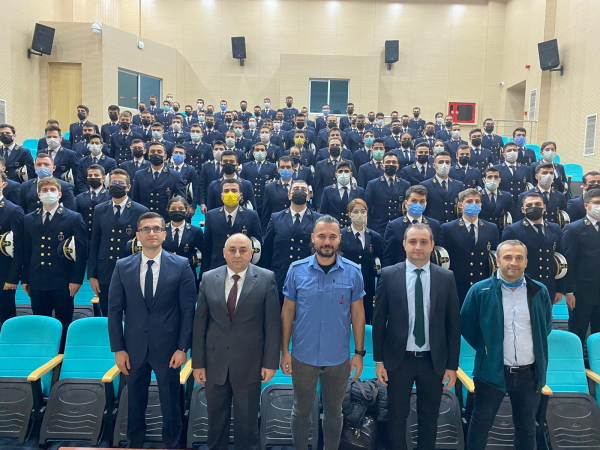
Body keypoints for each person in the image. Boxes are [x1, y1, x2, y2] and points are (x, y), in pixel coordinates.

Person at [108, 212, 196, 449]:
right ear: (138, 235)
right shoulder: (122, 266)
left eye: (156, 229)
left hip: (168, 348)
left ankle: (173, 444)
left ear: (164, 234)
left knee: (170, 402)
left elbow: (188, 311)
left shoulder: (181, 265)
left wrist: (182, 348)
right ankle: (135, 443)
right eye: (146, 229)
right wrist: (118, 349)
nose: (151, 233)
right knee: (135, 401)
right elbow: (114, 311)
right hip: (133, 347)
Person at [373, 223, 461, 450]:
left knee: (429, 417)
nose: (418, 247)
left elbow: (453, 325)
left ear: (432, 245)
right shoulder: (389, 275)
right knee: (396, 416)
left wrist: (452, 366)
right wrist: (379, 360)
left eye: (423, 242)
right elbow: (379, 321)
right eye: (412, 242)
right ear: (404, 244)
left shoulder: (446, 277)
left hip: (433, 361)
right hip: (399, 360)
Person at [281, 215, 365, 450]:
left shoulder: (354, 272)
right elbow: (287, 312)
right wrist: (284, 351)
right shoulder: (296, 270)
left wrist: (359, 353)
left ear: (339, 239)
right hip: (303, 356)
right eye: (322, 236)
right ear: (313, 238)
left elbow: (358, 314)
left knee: (334, 412)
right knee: (300, 411)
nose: (327, 241)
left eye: (332, 237)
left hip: (338, 358)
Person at [461, 240, 552, 450]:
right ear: (497, 261)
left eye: (519, 258)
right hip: (492, 372)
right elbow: (467, 326)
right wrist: (488, 349)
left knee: (527, 427)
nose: (513, 263)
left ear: (526, 262)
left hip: (530, 374)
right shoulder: (480, 290)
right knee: (480, 423)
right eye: (508, 257)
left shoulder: (539, 291)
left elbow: (545, 327)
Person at [192, 233, 280, 450]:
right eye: (232, 250)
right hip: (215, 363)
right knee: (215, 425)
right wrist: (198, 363)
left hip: (250, 364)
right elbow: (200, 324)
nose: (237, 255)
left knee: (247, 427)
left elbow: (272, 325)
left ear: (252, 253)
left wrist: (270, 363)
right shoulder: (208, 278)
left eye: (243, 250)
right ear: (224, 253)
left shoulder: (266, 278)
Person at [22, 177, 87, 348]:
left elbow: (81, 251)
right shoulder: (29, 218)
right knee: (40, 322)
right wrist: (25, 279)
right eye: (44, 190)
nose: (48, 193)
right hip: (37, 278)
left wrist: (77, 279)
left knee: (64, 321)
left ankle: (62, 355)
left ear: (59, 194)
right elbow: (26, 251)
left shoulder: (73, 217)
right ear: (39, 195)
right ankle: (44, 353)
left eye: (52, 190)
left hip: (63, 280)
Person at [89, 169, 149, 316]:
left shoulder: (141, 210)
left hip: (131, 268)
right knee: (108, 313)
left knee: (132, 314)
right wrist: (92, 275)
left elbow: (145, 244)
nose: (116, 186)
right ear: (108, 185)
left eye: (121, 183)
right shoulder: (99, 209)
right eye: (113, 183)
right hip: (105, 270)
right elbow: (95, 242)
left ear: (128, 187)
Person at [261, 180, 321, 304]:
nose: (299, 191)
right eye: (296, 189)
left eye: (303, 189)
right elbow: (267, 250)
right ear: (289, 195)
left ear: (308, 196)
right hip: (280, 275)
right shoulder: (276, 218)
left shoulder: (318, 219)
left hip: (307, 276)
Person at [502, 192, 564, 305]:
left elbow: (559, 257)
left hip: (548, 285)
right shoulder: (512, 230)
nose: (534, 207)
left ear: (544, 208)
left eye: (537, 204)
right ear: (523, 210)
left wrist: (559, 288)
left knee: (545, 316)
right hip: (522, 285)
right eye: (529, 205)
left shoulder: (554, 228)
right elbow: (505, 260)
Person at [442, 189, 500, 304]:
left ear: (481, 205)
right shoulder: (448, 228)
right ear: (460, 205)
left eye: (477, 201)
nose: (474, 204)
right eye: (469, 201)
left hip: (483, 283)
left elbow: (494, 255)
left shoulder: (491, 228)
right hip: (458, 283)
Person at [563, 188, 600, 344]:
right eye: (597, 203)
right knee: (578, 332)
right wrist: (569, 291)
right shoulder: (574, 229)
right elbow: (568, 262)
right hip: (581, 291)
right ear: (586, 205)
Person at [201, 178, 262, 273]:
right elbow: (207, 245)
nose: (230, 194)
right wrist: (204, 271)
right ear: (221, 196)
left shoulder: (251, 215)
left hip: (243, 266)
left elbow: (258, 242)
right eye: (226, 191)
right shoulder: (211, 215)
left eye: (234, 191)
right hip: (216, 266)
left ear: (240, 195)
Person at [339, 199, 382, 324]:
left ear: (367, 213)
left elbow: (379, 261)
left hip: (367, 284)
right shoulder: (341, 235)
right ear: (349, 214)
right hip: (345, 282)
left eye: (363, 211)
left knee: (365, 317)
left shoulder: (374, 236)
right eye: (355, 211)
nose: (359, 214)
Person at [382, 185, 444, 267]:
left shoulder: (435, 225)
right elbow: (387, 257)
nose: (418, 204)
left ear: (426, 204)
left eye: (422, 202)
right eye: (414, 201)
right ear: (406, 203)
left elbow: (439, 253)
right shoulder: (394, 226)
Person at [130, 142, 187, 220]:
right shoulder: (139, 175)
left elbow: (182, 199)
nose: (156, 154)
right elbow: (135, 200)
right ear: (148, 155)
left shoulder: (175, 175)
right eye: (152, 152)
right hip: (145, 217)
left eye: (159, 152)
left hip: (165, 218)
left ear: (165, 156)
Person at [365, 152, 411, 235]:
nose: (391, 164)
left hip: (398, 226)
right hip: (378, 227)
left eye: (394, 162)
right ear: (382, 166)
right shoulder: (373, 184)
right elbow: (367, 207)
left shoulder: (405, 185)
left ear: (398, 166)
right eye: (388, 162)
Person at [0, 171, 24, 327]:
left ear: (4, 185)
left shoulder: (13, 210)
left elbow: (20, 247)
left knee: (5, 316)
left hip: (3, 273)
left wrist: (13, 278)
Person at [163, 196, 203, 285]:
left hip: (188, 274)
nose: (177, 211)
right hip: (165, 274)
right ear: (168, 210)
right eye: (173, 209)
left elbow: (204, 252)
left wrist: (194, 260)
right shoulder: (162, 230)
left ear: (186, 210)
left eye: (180, 209)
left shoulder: (195, 231)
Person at [420, 151, 464, 224]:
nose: (444, 165)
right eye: (441, 162)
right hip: (434, 225)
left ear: (450, 165)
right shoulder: (425, 185)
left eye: (447, 162)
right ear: (434, 165)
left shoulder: (458, 185)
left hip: (453, 225)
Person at [319, 161, 365, 227]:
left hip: (353, 227)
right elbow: (323, 212)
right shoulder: (328, 190)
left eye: (346, 171)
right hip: (334, 227)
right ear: (336, 175)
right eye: (340, 171)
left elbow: (363, 212)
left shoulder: (359, 191)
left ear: (351, 174)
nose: (343, 174)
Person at [75, 164, 111, 241]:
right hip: (85, 237)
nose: (93, 177)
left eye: (96, 175)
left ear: (103, 178)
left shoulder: (110, 196)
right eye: (90, 175)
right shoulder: (80, 197)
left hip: (103, 237)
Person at [478, 167, 514, 232]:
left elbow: (511, 214)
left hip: (500, 231)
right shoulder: (477, 196)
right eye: (490, 177)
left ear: (499, 180)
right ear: (484, 180)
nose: (493, 180)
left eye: (496, 177)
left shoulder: (506, 196)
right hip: (482, 230)